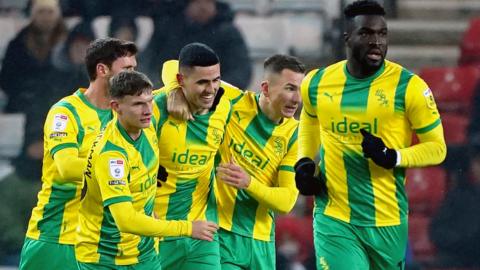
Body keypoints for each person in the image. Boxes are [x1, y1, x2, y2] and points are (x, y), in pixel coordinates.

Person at [295, 1, 447, 269]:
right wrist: (305, 162)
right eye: (366, 33)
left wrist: (392, 156)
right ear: (347, 37)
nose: (376, 41)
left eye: (382, 34)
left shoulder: (409, 87)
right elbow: (310, 118)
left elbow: (437, 148)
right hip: (334, 215)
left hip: (387, 220)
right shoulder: (316, 83)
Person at [162, 54, 304, 269]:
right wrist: (174, 89)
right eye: (290, 88)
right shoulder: (233, 100)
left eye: (301, 90)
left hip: (261, 241)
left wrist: (249, 183)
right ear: (265, 88)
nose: (297, 99)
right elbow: (172, 65)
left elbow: (286, 202)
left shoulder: (295, 135)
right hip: (220, 232)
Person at [75, 70, 218, 269]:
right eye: (138, 104)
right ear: (116, 107)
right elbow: (126, 221)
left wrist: (176, 90)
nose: (148, 110)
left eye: (150, 101)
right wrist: (187, 228)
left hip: (144, 255)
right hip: (105, 258)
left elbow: (173, 67)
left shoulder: (147, 129)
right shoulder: (112, 155)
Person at [19, 38, 138, 270]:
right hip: (58, 238)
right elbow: (68, 168)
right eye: (127, 69)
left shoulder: (127, 116)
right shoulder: (65, 113)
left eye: (135, 69)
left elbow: (176, 73)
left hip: (104, 244)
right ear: (102, 70)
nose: (134, 76)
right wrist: (129, 170)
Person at [152, 42, 231, 269]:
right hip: (157, 233)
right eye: (202, 82)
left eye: (216, 80)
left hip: (202, 235)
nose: (211, 89)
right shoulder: (154, 110)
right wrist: (171, 90)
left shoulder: (224, 106)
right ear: (181, 80)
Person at [140, 0, 252, 88]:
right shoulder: (169, 28)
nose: (203, 7)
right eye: (197, 2)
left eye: (208, 2)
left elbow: (241, 71)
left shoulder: (228, 32)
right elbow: (147, 61)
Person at [429, 149, 480, 268]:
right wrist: (467, 241)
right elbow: (437, 232)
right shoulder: (458, 196)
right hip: (457, 261)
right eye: (478, 162)